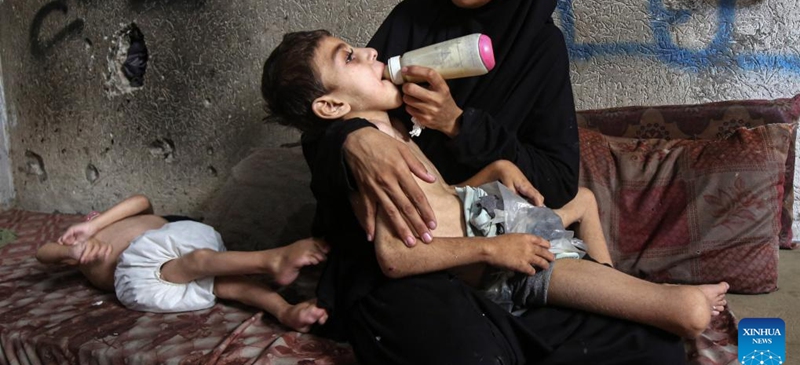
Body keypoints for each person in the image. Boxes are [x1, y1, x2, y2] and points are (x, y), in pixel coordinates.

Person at [261, 30, 729, 363]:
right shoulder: (374, 163)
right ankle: (672, 304)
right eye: (348, 57)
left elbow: (448, 197)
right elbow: (392, 255)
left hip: (494, 227)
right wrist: (350, 140)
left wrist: (490, 159)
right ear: (333, 106)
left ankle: (632, 295)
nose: (370, 50)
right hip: (488, 252)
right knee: (552, 273)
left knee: (582, 234)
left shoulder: (402, 135)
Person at [35, 194, 330, 332]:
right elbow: (43, 253)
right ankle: (279, 285)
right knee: (212, 275)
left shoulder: (99, 224)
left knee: (210, 272)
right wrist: (72, 251)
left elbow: (141, 201)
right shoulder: (80, 246)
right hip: (142, 280)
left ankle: (278, 285)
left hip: (173, 241)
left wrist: (95, 224)